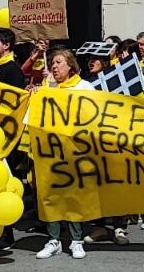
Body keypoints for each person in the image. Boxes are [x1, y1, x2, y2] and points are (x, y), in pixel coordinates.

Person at [36, 48, 94, 260]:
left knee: (74, 197)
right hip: (50, 152)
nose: (54, 66)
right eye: (52, 63)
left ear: (70, 65)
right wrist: (39, 93)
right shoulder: (48, 87)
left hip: (76, 152)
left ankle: (76, 241)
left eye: (59, 62)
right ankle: (54, 240)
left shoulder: (84, 87)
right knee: (51, 195)